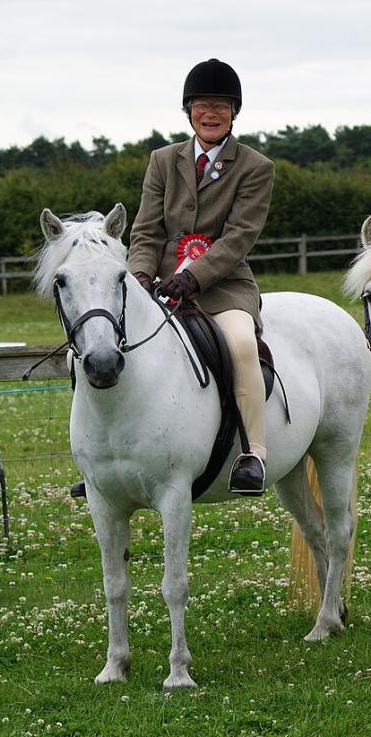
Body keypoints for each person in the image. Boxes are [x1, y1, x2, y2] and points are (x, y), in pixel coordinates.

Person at [127, 57, 275, 495]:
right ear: (188, 110)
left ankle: (253, 453)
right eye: (201, 105)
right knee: (104, 344)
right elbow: (146, 229)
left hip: (224, 287)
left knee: (242, 345)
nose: (210, 114)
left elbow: (239, 237)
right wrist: (139, 276)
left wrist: (194, 277)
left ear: (234, 112)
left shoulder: (255, 167)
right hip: (162, 286)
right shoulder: (162, 160)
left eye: (220, 106)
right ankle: (103, 457)